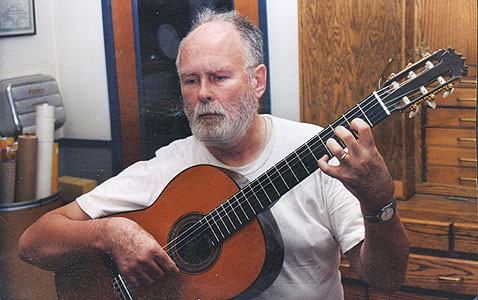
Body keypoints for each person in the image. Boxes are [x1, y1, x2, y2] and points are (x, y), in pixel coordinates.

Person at [18, 9, 409, 299]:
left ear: (257, 81)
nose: (203, 93)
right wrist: (109, 233)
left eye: (219, 77)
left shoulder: (321, 156)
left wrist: (380, 200)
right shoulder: (169, 166)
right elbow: (33, 243)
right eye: (190, 80)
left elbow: (386, 280)